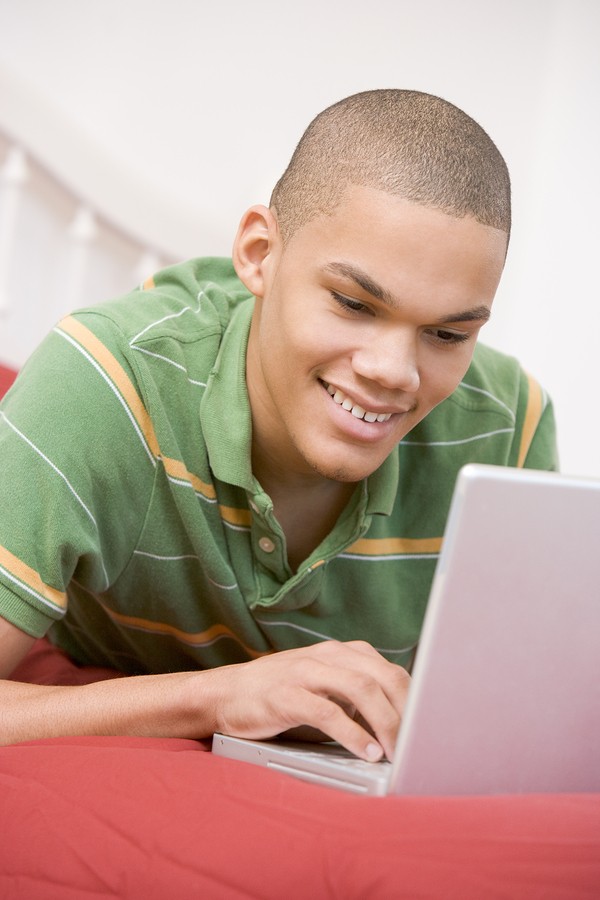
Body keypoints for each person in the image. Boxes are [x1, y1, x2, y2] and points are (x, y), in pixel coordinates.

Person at [0, 89, 557, 760]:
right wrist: (218, 697)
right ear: (260, 254)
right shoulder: (104, 386)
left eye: (447, 333)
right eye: (354, 303)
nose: (395, 371)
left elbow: (520, 727)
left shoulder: (509, 430)